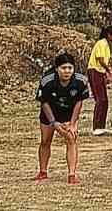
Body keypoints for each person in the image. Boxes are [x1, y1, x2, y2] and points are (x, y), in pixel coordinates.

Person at [35, 54, 89, 185]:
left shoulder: (81, 81)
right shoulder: (47, 81)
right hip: (49, 113)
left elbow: (79, 103)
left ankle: (72, 174)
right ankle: (43, 171)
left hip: (68, 114)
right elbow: (44, 103)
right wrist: (53, 123)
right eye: (63, 68)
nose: (67, 71)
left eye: (70, 68)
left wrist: (72, 123)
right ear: (57, 69)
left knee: (71, 138)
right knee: (45, 141)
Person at [88, 26, 112, 136]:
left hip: (100, 72)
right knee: (100, 99)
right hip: (95, 71)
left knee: (105, 100)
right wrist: (109, 71)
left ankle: (101, 126)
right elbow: (100, 60)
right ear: (108, 35)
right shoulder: (101, 43)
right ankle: (96, 127)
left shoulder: (106, 44)